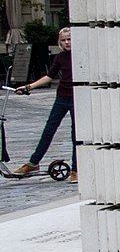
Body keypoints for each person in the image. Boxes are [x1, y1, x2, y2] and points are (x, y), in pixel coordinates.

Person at [13, 27, 74, 181]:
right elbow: (49, 77)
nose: (67, 42)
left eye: (69, 39)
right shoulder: (60, 57)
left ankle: (76, 169)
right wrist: (28, 87)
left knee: (76, 135)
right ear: (59, 42)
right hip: (62, 98)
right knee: (48, 130)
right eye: (64, 40)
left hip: (77, 99)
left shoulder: (82, 56)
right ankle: (34, 163)